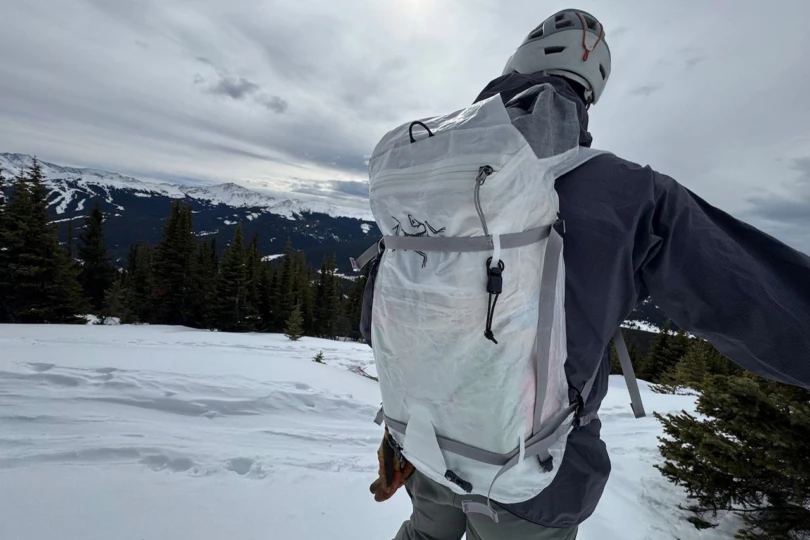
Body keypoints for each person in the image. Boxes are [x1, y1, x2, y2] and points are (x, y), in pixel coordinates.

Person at [368, 8, 810, 540]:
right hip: (534, 473)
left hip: (424, 443)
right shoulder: (629, 192)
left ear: (511, 70)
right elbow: (750, 296)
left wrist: (402, 428)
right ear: (588, 96)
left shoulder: (431, 174)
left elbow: (389, 312)